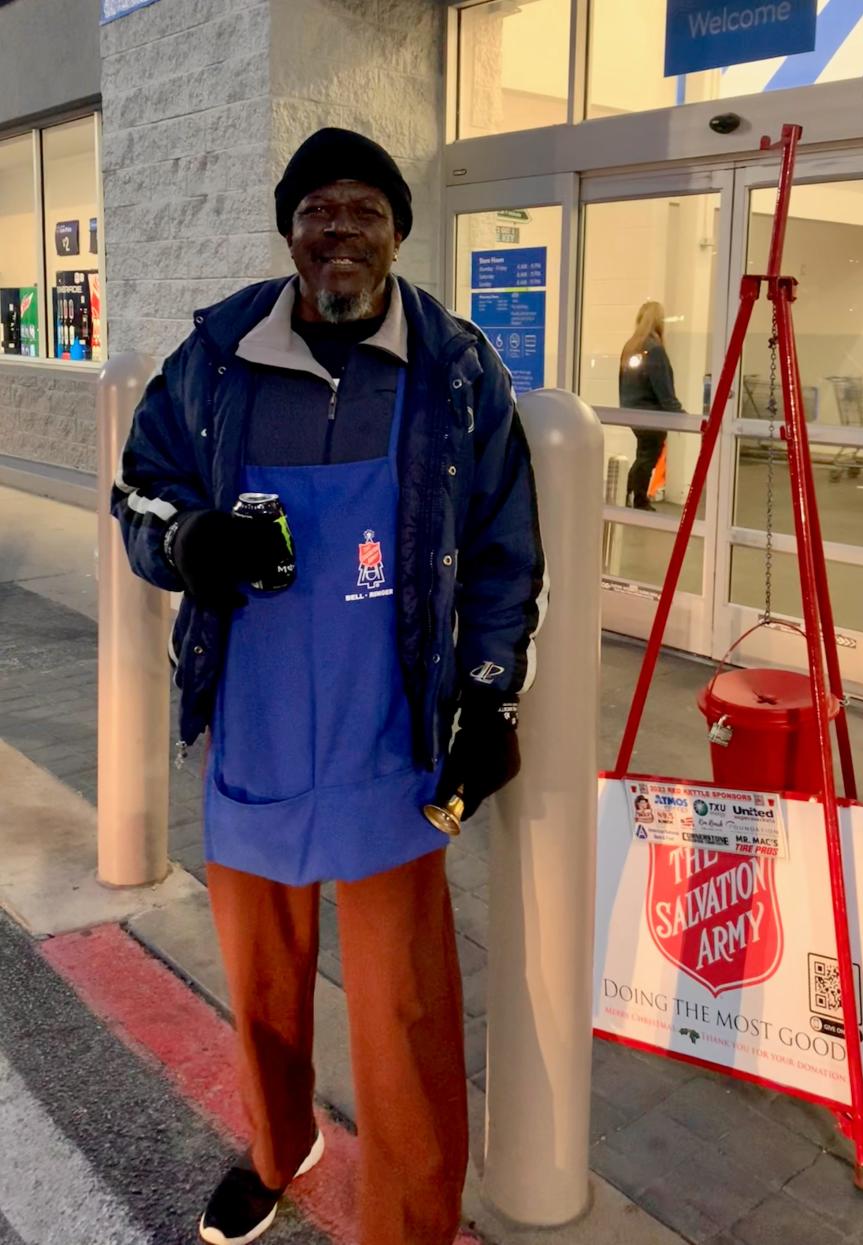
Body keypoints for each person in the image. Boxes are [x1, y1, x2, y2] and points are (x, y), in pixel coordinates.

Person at [112, 128, 546, 1245]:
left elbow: (504, 545)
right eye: (318, 211)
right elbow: (142, 494)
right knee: (262, 987)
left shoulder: (455, 369)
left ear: (400, 230)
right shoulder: (216, 355)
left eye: (364, 210)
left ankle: (410, 1222)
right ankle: (280, 1145)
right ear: (290, 232)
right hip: (251, 733)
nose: (339, 229)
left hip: (388, 737)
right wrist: (192, 540)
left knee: (405, 1013)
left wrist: (492, 693)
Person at [618, 300, 683, 510]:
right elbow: (662, 386)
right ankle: (637, 498)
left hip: (632, 412)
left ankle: (628, 493)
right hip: (650, 414)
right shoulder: (654, 349)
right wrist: (677, 413)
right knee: (647, 457)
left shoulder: (631, 346)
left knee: (643, 455)